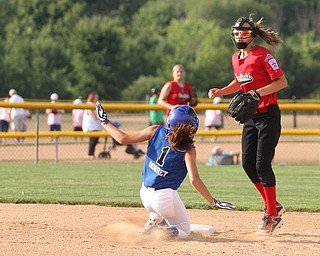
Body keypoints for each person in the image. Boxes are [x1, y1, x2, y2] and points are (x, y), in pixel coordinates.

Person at [96, 103, 235, 238]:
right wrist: (213, 201)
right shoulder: (188, 148)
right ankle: (160, 233)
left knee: (161, 212)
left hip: (145, 194)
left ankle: (154, 220)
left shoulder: (155, 130)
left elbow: (122, 138)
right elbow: (194, 180)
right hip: (164, 197)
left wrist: (104, 121)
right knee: (184, 231)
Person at [208, 15, 288, 235]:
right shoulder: (236, 58)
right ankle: (274, 205)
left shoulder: (263, 54)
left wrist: (257, 93)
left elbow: (281, 82)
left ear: (252, 35)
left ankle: (271, 215)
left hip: (269, 115)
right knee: (247, 165)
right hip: (251, 117)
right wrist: (221, 91)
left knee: (262, 165)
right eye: (236, 33)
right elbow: (239, 81)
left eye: (244, 33)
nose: (239, 36)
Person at [82, 92, 103, 160]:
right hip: (91, 125)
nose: (97, 99)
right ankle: (90, 154)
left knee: (95, 139)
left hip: (95, 125)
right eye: (96, 97)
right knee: (93, 140)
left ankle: (91, 153)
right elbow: (92, 114)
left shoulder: (96, 104)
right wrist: (100, 119)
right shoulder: (90, 104)